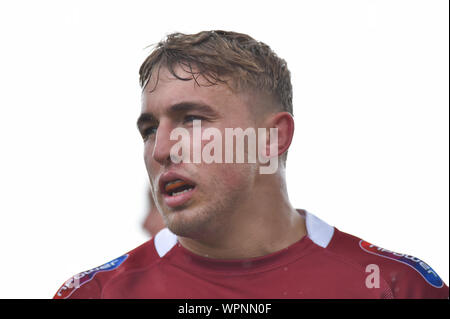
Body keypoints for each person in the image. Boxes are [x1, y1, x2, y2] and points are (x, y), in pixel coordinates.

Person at [54, 30, 448, 299]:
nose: (160, 149)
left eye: (191, 120)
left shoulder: (396, 288)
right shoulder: (97, 293)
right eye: (149, 128)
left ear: (272, 138)